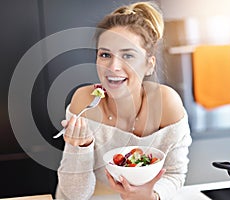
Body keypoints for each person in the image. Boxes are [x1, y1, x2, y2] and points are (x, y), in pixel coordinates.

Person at [55, 1, 192, 200]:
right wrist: (81, 148)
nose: (113, 66)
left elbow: (174, 174)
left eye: (127, 55)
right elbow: (74, 194)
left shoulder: (166, 103)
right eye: (105, 55)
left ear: (149, 64)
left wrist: (151, 196)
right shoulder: (85, 101)